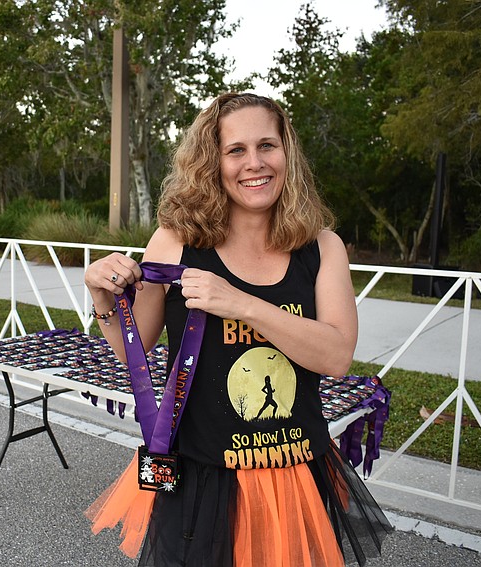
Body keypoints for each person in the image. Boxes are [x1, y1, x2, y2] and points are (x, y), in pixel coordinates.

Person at [83, 93, 391, 566]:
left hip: (293, 471)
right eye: (236, 150)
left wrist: (242, 304)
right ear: (213, 161)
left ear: (287, 152)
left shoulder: (323, 247)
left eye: (267, 145)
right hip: (201, 472)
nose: (255, 163)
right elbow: (135, 354)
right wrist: (105, 300)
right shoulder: (175, 241)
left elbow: (335, 356)